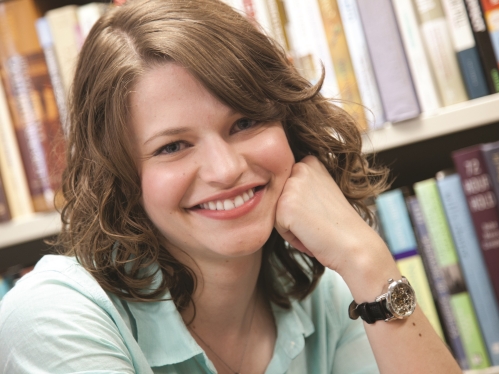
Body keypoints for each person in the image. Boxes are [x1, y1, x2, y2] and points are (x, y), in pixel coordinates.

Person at [0, 0, 461, 373]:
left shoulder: (330, 295)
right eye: (173, 146)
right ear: (121, 179)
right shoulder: (54, 317)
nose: (225, 169)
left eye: (245, 122)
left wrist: (367, 261)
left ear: (290, 126)